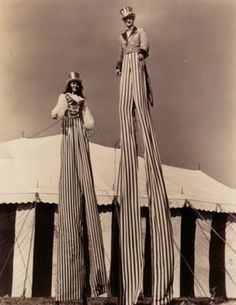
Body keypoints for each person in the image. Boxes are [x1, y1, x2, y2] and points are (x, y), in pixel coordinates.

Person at [116, 7, 174, 305]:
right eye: (125, 20)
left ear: (134, 19)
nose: (128, 23)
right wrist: (120, 63)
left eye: (130, 19)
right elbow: (121, 53)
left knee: (138, 103)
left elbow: (145, 51)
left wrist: (137, 58)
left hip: (135, 68)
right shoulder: (122, 37)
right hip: (125, 69)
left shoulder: (140, 34)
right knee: (125, 109)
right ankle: (130, 290)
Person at [51, 72, 107, 301]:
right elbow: (57, 109)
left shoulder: (82, 102)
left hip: (80, 133)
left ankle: (94, 288)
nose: (74, 86)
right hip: (69, 130)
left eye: (77, 83)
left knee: (81, 158)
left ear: (79, 86)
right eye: (72, 83)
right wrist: (57, 113)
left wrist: (89, 126)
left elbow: (88, 118)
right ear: (68, 84)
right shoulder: (64, 97)